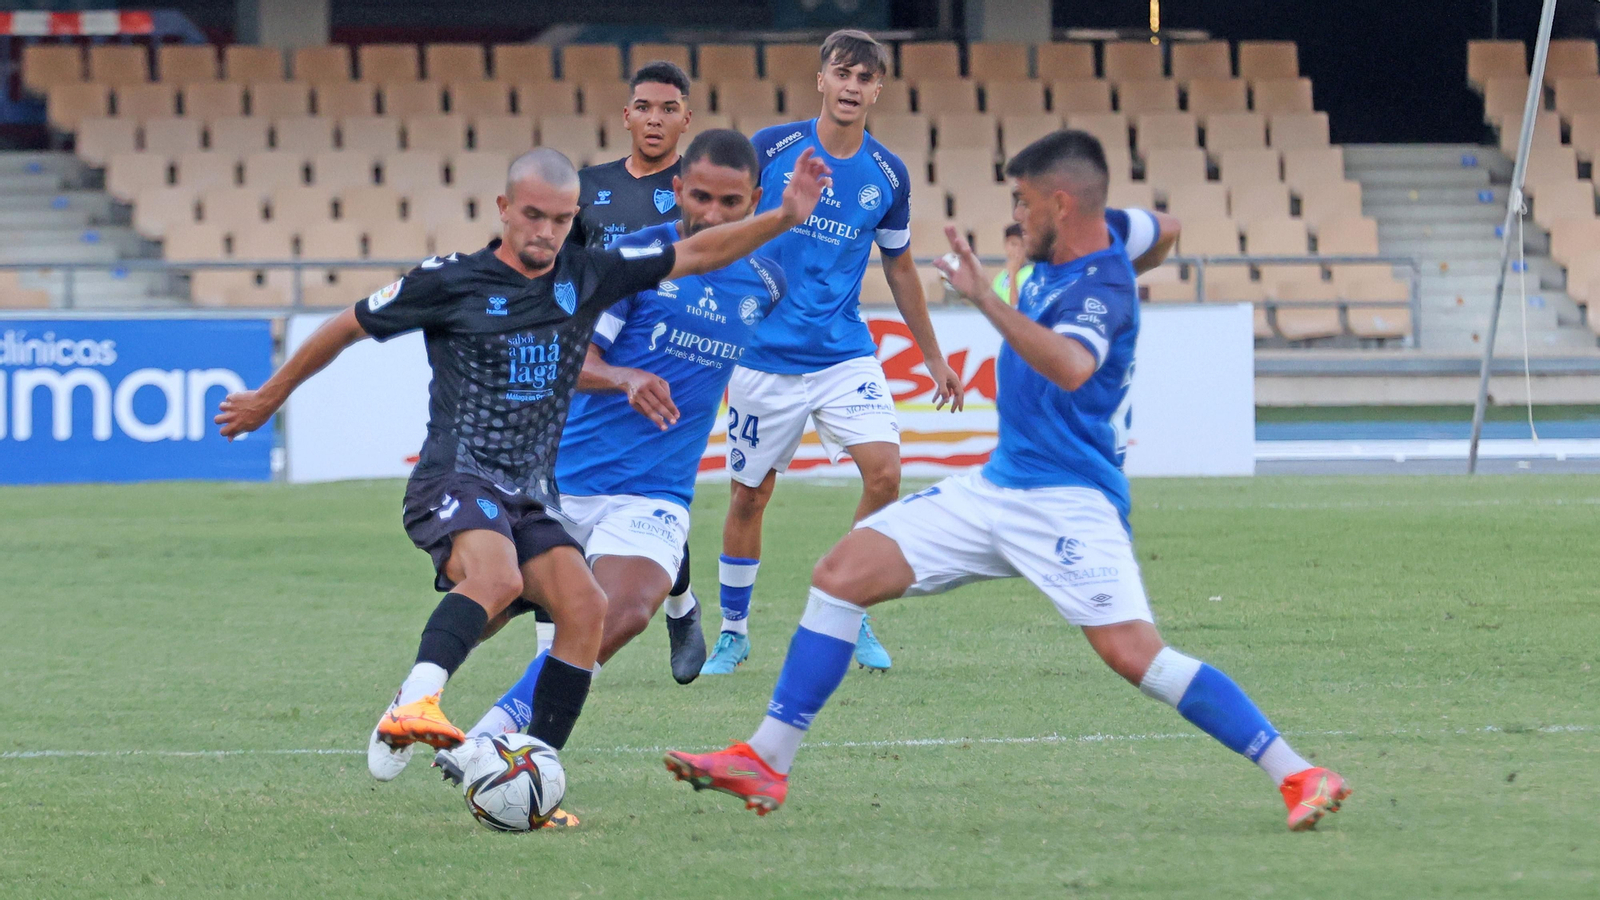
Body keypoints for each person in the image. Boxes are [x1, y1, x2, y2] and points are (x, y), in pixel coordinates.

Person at [664, 130, 1352, 834]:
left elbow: (1073, 367)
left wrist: (985, 298)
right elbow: (1167, 229)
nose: (1015, 219)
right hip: (998, 488)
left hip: (1068, 502)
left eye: (1023, 203)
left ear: (1061, 203)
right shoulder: (1111, 232)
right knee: (840, 574)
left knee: (1136, 656)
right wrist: (1105, 253)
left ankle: (1298, 771)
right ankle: (768, 758)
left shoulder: (1100, 290)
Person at [214, 145, 831, 808]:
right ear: (504, 209)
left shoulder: (589, 274)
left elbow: (701, 253)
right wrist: (268, 397)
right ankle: (416, 701)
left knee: (587, 609)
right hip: (457, 478)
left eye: (561, 219)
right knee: (499, 579)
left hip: (530, 493)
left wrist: (786, 216)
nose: (546, 231)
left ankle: (529, 771)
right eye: (533, 215)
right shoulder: (451, 280)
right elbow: (347, 325)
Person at [440, 131, 788, 759]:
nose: (712, 214)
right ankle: (412, 701)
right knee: (487, 606)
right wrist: (623, 377)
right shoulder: (633, 261)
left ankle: (492, 740)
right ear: (676, 190)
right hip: (564, 479)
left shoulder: (766, 281)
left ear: (755, 201)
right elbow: (569, 358)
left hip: (655, 491)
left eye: (730, 202)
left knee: (620, 611)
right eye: (700, 197)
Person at [704, 29, 963, 676]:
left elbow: (899, 266)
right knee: (749, 497)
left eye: (864, 78)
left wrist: (933, 357)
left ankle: (850, 607)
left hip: (843, 354)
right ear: (821, 79)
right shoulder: (771, 148)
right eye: (841, 73)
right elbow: (722, 226)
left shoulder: (887, 174)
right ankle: (733, 632)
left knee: (886, 474)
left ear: (878, 90)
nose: (851, 86)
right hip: (763, 356)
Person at [567, 61, 694, 250]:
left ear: (686, 120)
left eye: (668, 109)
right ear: (627, 117)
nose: (654, 120)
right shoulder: (587, 183)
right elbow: (567, 262)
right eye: (643, 108)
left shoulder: (697, 189)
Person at [991, 222, 1033, 304]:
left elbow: (1015, 306)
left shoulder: (1031, 274)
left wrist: (1013, 275)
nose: (1017, 250)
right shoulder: (999, 278)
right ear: (1006, 245)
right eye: (1013, 244)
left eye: (1022, 245)